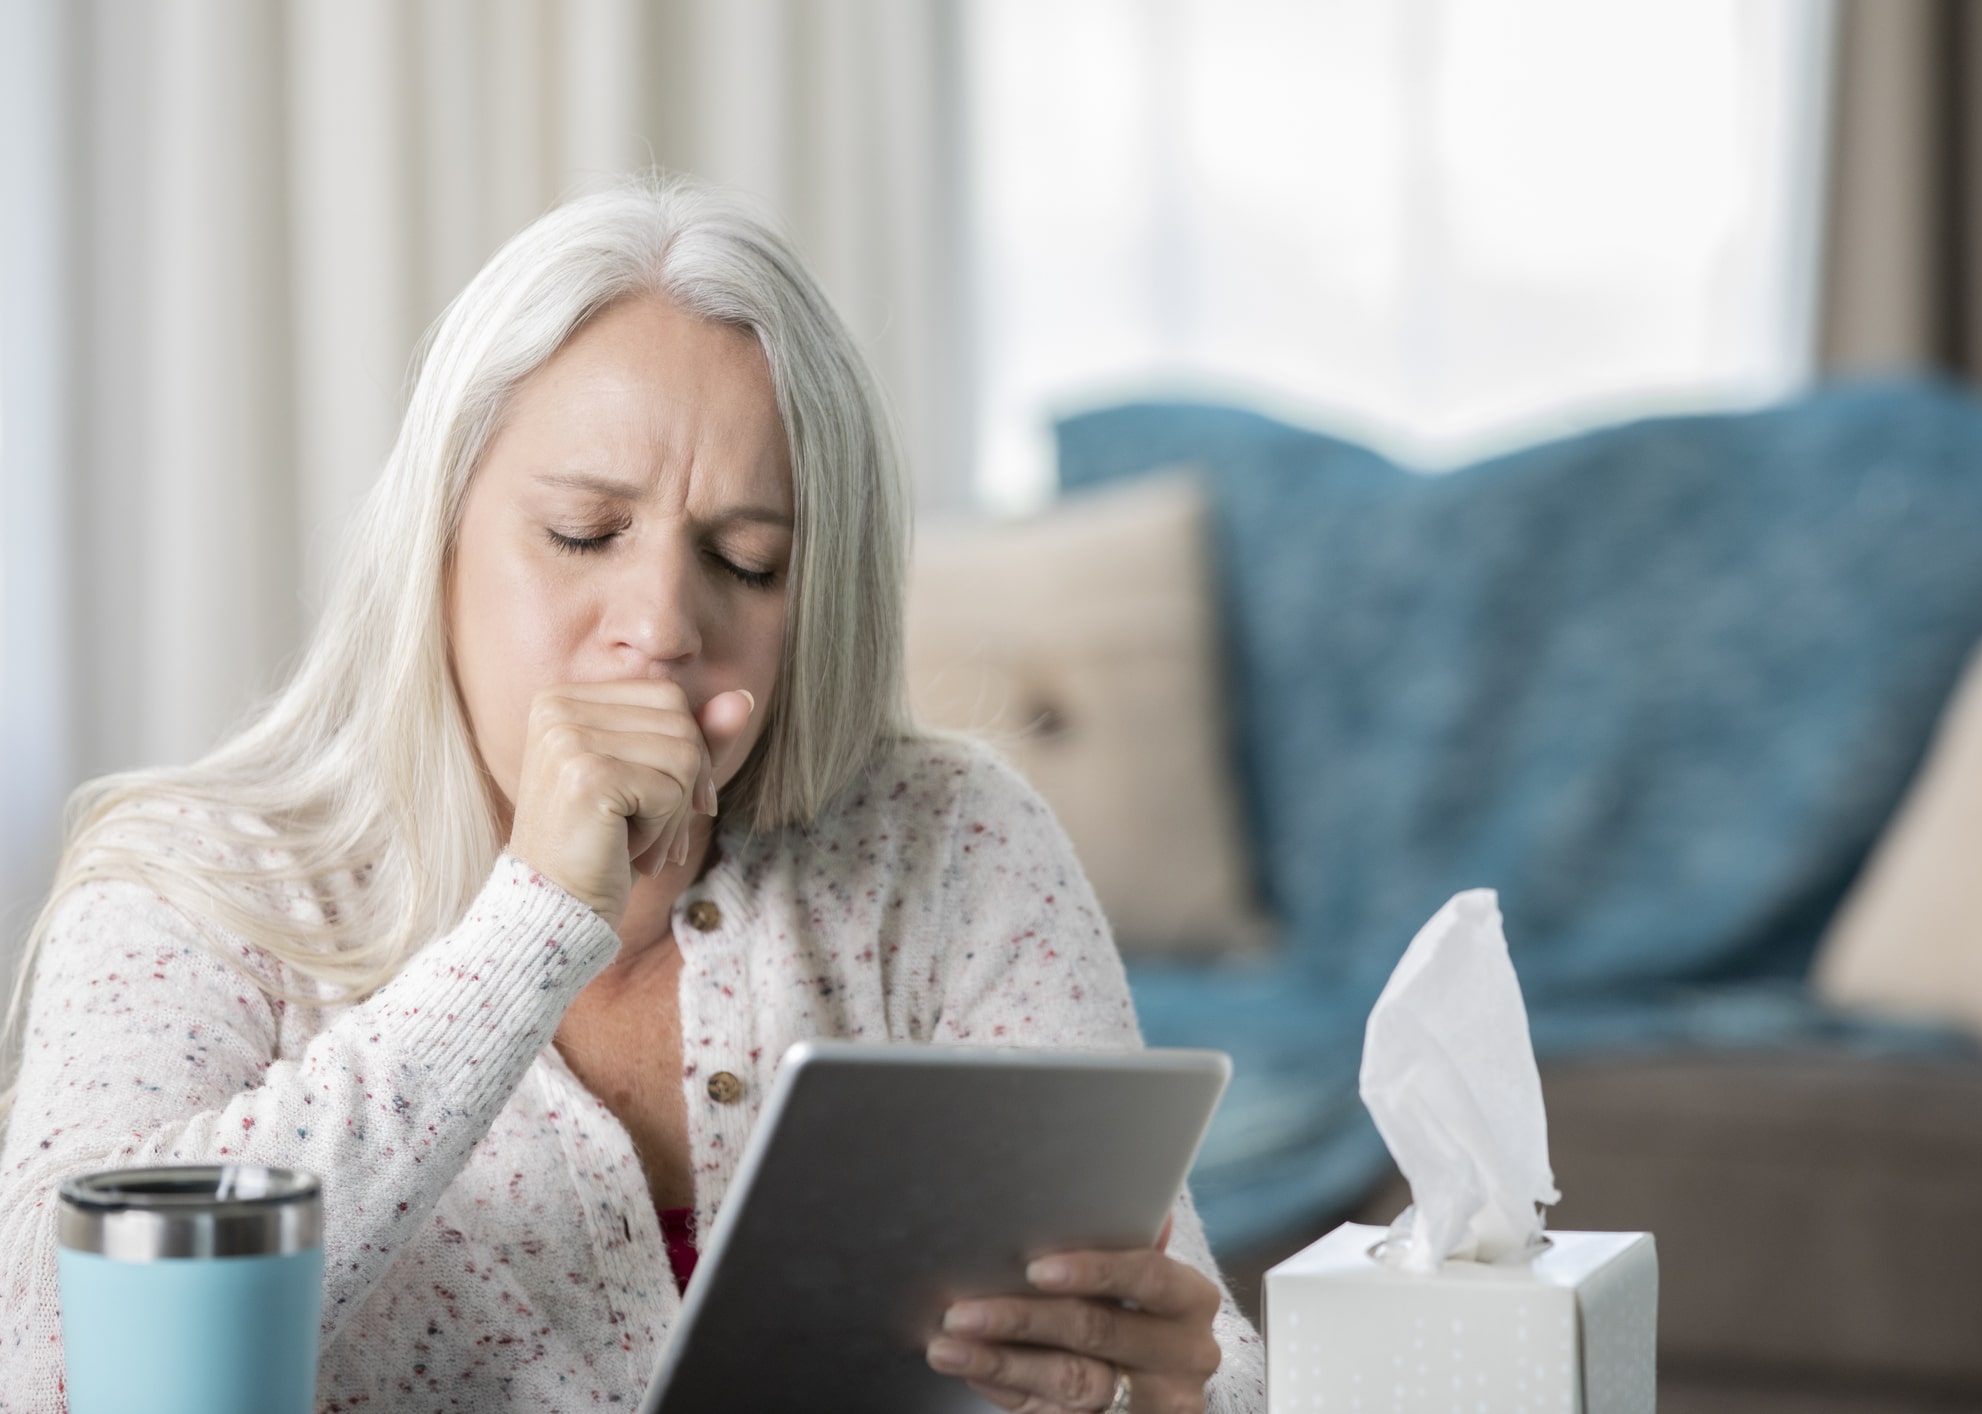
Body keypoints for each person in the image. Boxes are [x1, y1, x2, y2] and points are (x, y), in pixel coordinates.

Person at [0, 176, 1264, 1413]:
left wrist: (1152, 1395)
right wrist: (533, 922)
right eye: (585, 535)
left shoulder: (948, 840)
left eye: (745, 560)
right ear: (437, 546)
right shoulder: (190, 883)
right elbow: (58, 1360)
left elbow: (1204, 1346)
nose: (661, 625)